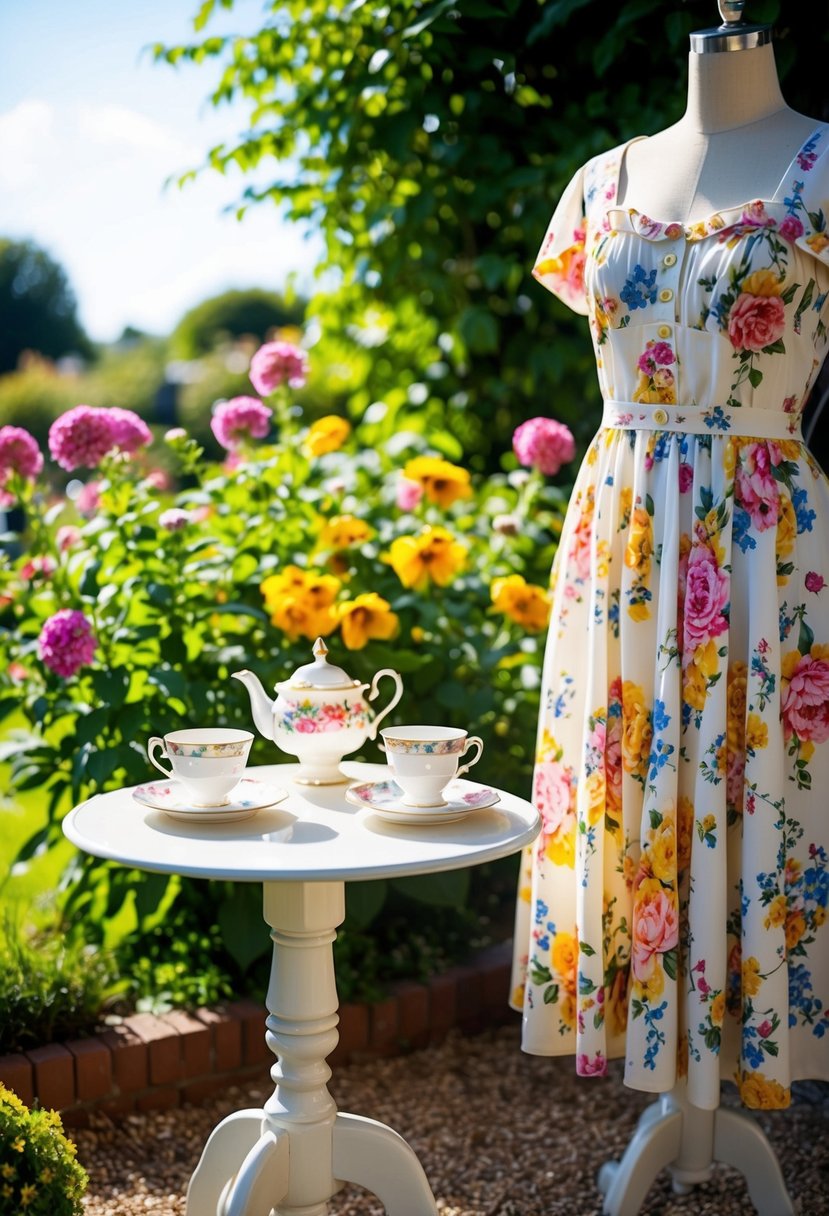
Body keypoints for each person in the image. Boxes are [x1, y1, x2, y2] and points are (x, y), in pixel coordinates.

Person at [510, 13, 829, 1116]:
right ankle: (661, 1061)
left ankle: (738, 1063)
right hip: (626, 542)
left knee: (765, 790)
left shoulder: (828, 168)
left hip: (769, 546)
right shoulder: (599, 187)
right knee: (630, 788)